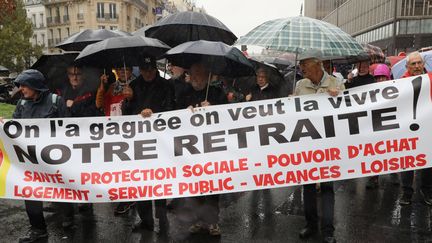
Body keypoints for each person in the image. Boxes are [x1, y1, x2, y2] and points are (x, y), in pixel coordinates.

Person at [2, 69, 70, 242]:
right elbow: (15, 128)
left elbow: (70, 129)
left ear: (35, 86)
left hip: (55, 160)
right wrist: (4, 124)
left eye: (25, 85)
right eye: (20, 85)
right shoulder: (22, 105)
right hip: (30, 160)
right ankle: (38, 229)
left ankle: (69, 216)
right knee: (31, 193)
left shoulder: (56, 101)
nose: (21, 89)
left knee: (63, 189)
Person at [294, 49, 343, 243]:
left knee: (327, 187)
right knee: (308, 186)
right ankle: (311, 225)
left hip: (329, 144)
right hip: (307, 143)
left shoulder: (335, 83)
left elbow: (349, 110)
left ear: (318, 63)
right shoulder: (300, 85)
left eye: (304, 64)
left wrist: (339, 96)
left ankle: (328, 230)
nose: (302, 68)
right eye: (301, 65)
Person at [121, 56, 174, 232]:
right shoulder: (133, 86)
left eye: (150, 69)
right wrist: (127, 100)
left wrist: (154, 114)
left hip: (160, 140)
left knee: (159, 179)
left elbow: (171, 110)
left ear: (155, 69)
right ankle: (146, 219)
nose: (148, 73)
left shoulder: (166, 85)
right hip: (139, 140)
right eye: (144, 70)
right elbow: (126, 115)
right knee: (141, 180)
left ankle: (162, 218)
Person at [176, 62, 227, 236]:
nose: (195, 77)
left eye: (199, 74)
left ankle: (212, 222)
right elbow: (173, 115)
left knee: (212, 187)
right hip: (191, 149)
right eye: (193, 73)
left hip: (211, 148)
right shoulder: (184, 93)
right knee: (195, 187)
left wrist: (213, 109)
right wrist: (184, 112)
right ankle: (198, 219)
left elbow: (228, 116)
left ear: (207, 76)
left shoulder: (217, 93)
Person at [95, 66, 136, 214]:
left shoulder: (136, 85)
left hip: (132, 132)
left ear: (131, 70)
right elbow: (99, 104)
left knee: (130, 166)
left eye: (124, 69)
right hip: (113, 132)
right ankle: (124, 195)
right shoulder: (112, 87)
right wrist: (102, 86)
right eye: (118, 70)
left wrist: (131, 97)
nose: (122, 72)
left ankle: (129, 197)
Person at [399, 51, 432, 205]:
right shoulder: (399, 83)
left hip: (428, 128)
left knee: (428, 161)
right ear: (407, 66)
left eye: (419, 63)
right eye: (413, 63)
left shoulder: (431, 79)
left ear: (423, 64)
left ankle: (426, 190)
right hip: (407, 128)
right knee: (407, 161)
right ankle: (406, 192)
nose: (417, 66)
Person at [364, 64, 400, 189]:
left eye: (382, 77)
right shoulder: (371, 90)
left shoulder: (397, 88)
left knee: (391, 150)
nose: (380, 80)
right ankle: (374, 177)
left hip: (391, 125)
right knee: (376, 151)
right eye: (378, 77)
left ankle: (394, 171)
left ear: (387, 77)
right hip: (376, 125)